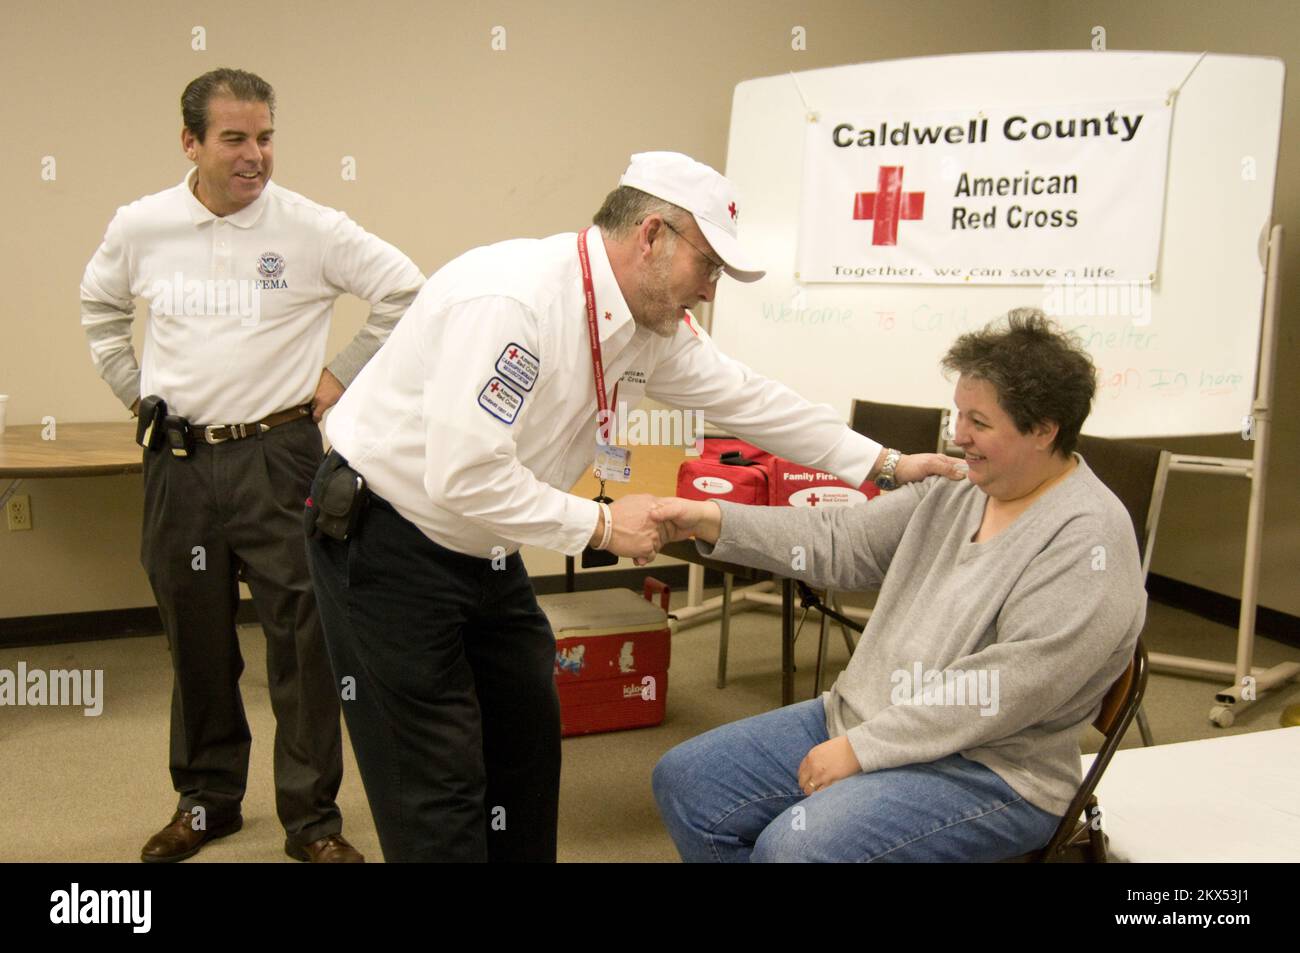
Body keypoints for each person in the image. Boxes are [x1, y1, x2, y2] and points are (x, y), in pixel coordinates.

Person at [308, 151, 963, 862]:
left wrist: (884, 462)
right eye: (707, 265)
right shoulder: (514, 300)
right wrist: (600, 524)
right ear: (651, 234)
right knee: (435, 781)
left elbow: (749, 398)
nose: (709, 291)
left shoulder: (649, 323)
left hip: (480, 549)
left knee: (525, 745)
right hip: (388, 541)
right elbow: (463, 476)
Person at [650, 309, 1146, 862]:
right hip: (868, 719)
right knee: (688, 782)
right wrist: (712, 520)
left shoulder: (1089, 539)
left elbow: (1001, 692)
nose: (959, 436)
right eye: (959, 415)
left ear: (1043, 429)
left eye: (979, 422)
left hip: (991, 771)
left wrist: (862, 750)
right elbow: (840, 540)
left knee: (795, 849)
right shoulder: (958, 488)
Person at [80, 68, 425, 863]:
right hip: (178, 462)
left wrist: (341, 375)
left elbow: (407, 290)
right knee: (194, 640)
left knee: (305, 643)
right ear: (191, 143)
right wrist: (138, 396)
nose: (255, 155)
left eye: (265, 136)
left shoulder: (311, 227)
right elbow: (100, 308)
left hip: (280, 457)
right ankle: (206, 802)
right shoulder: (143, 225)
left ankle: (312, 820)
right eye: (235, 138)